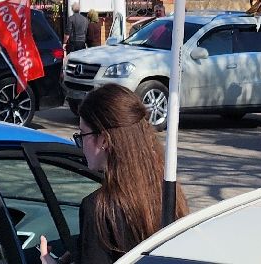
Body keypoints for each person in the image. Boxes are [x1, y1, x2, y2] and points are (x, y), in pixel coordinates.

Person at [43, 83, 186, 263]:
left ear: (104, 140)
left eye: (82, 135)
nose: (80, 144)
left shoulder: (99, 209)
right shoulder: (168, 193)